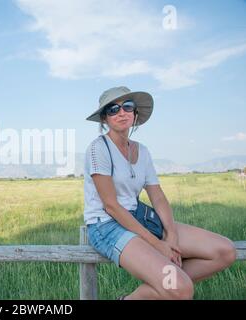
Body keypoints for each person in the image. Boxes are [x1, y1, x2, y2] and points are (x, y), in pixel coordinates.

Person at [84, 86, 237, 300]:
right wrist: (158, 245)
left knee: (225, 252)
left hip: (137, 217)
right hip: (107, 225)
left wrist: (171, 236)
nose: (121, 112)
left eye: (127, 107)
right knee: (180, 288)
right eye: (113, 109)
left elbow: (158, 196)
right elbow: (111, 205)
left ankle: (165, 285)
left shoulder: (142, 151)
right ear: (104, 119)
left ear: (135, 114)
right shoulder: (98, 149)